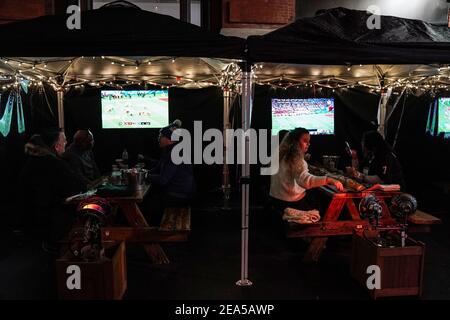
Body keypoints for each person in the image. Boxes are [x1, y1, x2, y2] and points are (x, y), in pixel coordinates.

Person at [18, 128, 86, 252]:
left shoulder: (35, 159)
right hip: (50, 220)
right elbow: (77, 186)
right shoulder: (52, 162)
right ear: (56, 146)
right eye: (64, 141)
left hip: (33, 219)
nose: (66, 144)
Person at [269, 127, 344, 223]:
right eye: (305, 141)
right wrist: (329, 179)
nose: (308, 144)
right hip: (291, 203)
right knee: (323, 203)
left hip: (276, 200)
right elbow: (305, 181)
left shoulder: (281, 155)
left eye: (309, 141)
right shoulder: (296, 159)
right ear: (295, 142)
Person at [144, 120, 195, 225]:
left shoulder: (175, 154)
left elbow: (163, 180)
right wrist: (145, 172)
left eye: (161, 136)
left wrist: (145, 176)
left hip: (179, 196)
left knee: (146, 206)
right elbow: (157, 169)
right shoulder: (169, 151)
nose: (158, 138)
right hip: (175, 193)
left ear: (170, 140)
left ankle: (152, 235)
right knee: (149, 200)